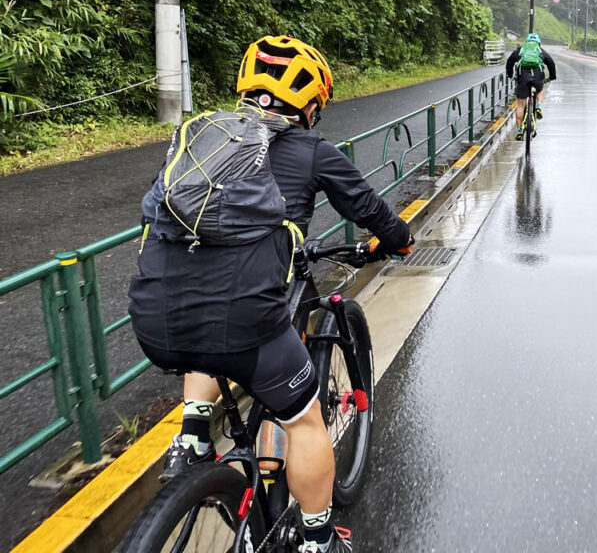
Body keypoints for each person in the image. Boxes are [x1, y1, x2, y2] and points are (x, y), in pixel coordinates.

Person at [128, 35, 413, 553]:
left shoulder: (197, 136)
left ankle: (192, 436)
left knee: (208, 327)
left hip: (156, 317)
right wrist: (399, 239)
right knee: (304, 420)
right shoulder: (311, 150)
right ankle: (318, 540)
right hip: (246, 321)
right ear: (309, 104)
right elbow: (366, 207)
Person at [505, 33, 557, 141]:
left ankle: (519, 130)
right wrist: (552, 77)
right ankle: (538, 105)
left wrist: (510, 74)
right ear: (538, 42)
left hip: (522, 78)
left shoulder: (520, 50)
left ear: (526, 41)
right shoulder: (540, 50)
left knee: (520, 105)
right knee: (540, 90)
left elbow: (510, 61)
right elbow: (551, 63)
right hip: (538, 77)